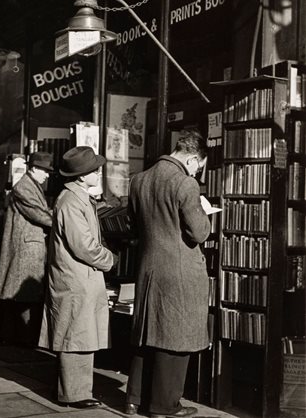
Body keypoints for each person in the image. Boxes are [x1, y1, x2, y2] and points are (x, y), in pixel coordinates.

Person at [124, 130, 211, 418]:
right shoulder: (185, 184)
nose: (198, 172)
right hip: (180, 272)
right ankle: (164, 405)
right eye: (199, 165)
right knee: (176, 335)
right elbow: (198, 232)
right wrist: (206, 214)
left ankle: (134, 398)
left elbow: (135, 228)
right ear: (192, 158)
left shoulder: (139, 180)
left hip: (149, 269)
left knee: (147, 334)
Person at [39, 146, 117, 409]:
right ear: (83, 176)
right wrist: (110, 260)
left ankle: (76, 390)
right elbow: (82, 244)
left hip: (79, 277)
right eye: (96, 169)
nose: (99, 171)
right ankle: (73, 394)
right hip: (76, 278)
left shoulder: (76, 197)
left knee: (81, 333)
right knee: (75, 335)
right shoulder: (72, 200)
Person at [0, 152, 53, 347]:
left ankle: (15, 336)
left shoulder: (30, 185)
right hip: (26, 248)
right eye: (45, 170)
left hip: (27, 246)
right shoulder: (25, 187)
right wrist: (63, 219)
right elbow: (39, 214)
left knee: (22, 295)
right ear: (34, 168)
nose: (47, 175)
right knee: (25, 295)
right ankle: (22, 339)